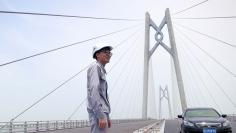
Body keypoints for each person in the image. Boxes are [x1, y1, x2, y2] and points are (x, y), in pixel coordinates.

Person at [87, 43, 113, 133]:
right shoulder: (95, 67)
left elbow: (103, 96)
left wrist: (107, 116)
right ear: (97, 54)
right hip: (98, 112)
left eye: (109, 53)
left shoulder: (101, 69)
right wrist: (101, 116)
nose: (108, 54)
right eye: (105, 52)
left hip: (102, 112)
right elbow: (94, 91)